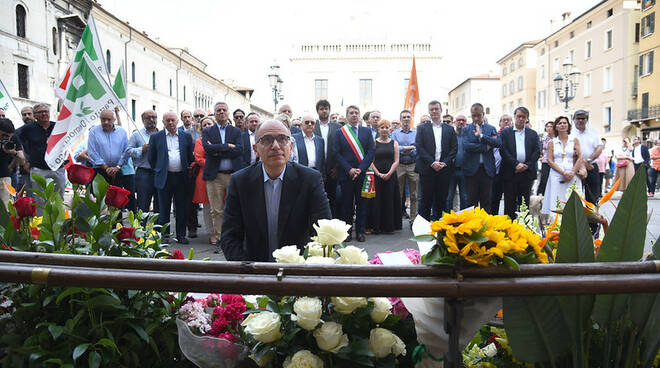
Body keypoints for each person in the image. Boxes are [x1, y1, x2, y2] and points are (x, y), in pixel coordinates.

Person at [220, 120, 331, 261]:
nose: (275, 146)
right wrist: (248, 272)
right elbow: (230, 237)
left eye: (282, 139)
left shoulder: (310, 180)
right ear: (255, 149)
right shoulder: (240, 181)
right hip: (255, 271)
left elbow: (323, 231)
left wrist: (306, 268)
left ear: (291, 147)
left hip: (298, 271)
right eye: (266, 140)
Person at [202, 102, 244, 251]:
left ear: (228, 113)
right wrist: (227, 146)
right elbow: (207, 149)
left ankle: (236, 236)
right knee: (216, 210)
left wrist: (217, 149)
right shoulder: (208, 131)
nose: (221, 112)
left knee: (236, 207)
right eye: (218, 110)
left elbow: (239, 150)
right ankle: (221, 238)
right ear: (214, 113)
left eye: (224, 110)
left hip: (233, 175)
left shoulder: (236, 131)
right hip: (215, 176)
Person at [148, 111, 194, 244]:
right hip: (165, 178)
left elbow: (189, 156)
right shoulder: (156, 137)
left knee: (181, 208)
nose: (170, 123)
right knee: (163, 209)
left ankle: (181, 235)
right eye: (167, 120)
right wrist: (159, 169)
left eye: (173, 120)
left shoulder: (186, 136)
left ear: (177, 121)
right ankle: (164, 236)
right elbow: (152, 158)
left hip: (181, 177)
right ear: (163, 123)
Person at [334, 105, 375, 242]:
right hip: (346, 174)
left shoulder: (366, 132)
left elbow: (371, 152)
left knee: (362, 204)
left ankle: (360, 232)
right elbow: (337, 153)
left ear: (359, 115)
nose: (354, 115)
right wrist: (349, 169)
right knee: (346, 205)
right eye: (351, 113)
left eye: (356, 113)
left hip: (362, 174)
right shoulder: (340, 132)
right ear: (347, 116)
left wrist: (361, 168)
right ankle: (347, 232)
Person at [416, 100, 458, 220]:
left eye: (436, 109)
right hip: (427, 169)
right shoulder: (422, 128)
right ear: (429, 111)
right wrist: (432, 162)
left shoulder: (449, 129)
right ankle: (424, 229)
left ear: (441, 110)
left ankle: (439, 229)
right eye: (432, 109)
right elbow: (419, 147)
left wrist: (444, 163)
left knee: (442, 200)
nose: (434, 111)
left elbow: (454, 148)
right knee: (425, 201)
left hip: (444, 170)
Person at [16, 103, 66, 200]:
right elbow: (15, 138)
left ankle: (58, 215)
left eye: (46, 111)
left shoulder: (57, 127)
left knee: (59, 197)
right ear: (35, 116)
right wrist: (25, 160)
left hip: (57, 167)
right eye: (40, 112)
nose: (44, 114)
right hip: (38, 168)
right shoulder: (28, 128)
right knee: (39, 199)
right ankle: (40, 216)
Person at [87, 109, 134, 210]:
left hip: (117, 171)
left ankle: (117, 225)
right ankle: (101, 224)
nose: (106, 122)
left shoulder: (122, 132)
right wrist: (105, 167)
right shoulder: (94, 132)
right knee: (99, 200)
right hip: (100, 171)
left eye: (109, 119)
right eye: (103, 119)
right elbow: (92, 152)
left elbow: (126, 151)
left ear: (114, 120)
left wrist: (118, 166)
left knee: (116, 202)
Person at [499, 107, 540, 220]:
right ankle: (509, 227)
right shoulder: (505, 133)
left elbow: (537, 151)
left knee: (524, 202)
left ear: (527, 119)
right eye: (518, 116)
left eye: (523, 117)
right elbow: (503, 150)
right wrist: (515, 164)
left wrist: (526, 165)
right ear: (514, 117)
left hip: (526, 173)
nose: (521, 119)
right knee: (509, 202)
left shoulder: (533, 134)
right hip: (510, 172)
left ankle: (524, 227)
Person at [462, 103, 501, 213]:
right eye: (473, 115)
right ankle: (472, 228)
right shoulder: (466, 129)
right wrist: (486, 147)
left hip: (487, 170)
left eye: (478, 115)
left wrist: (482, 136)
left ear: (483, 114)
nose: (476, 118)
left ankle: (485, 228)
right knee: (471, 202)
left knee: (486, 201)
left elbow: (498, 143)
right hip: (471, 170)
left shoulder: (491, 128)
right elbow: (467, 146)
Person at [541, 116, 582, 215]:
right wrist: (563, 173)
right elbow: (550, 160)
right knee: (557, 200)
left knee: (572, 199)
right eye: (560, 123)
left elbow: (580, 157)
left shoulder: (574, 140)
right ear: (556, 127)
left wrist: (572, 172)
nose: (562, 125)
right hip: (557, 174)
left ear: (568, 125)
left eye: (565, 123)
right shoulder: (552, 142)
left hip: (572, 172)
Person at [370, 119, 401, 233]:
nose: (384, 130)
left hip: (390, 176)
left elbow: (396, 161)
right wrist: (378, 173)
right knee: (377, 201)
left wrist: (389, 173)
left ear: (390, 130)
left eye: (386, 127)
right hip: (376, 176)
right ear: (378, 129)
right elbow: (371, 161)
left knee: (389, 200)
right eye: (382, 127)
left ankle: (389, 227)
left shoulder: (394, 143)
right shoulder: (374, 143)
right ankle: (377, 227)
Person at [126, 110, 160, 213]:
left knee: (159, 205)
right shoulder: (137, 135)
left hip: (159, 173)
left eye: (154, 117)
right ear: (143, 120)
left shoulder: (162, 134)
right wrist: (141, 149)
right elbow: (128, 151)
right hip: (144, 173)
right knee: (143, 205)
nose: (151, 120)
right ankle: (142, 228)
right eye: (148, 118)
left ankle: (158, 229)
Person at [313, 99, 341, 218]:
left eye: (326, 109)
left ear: (329, 110)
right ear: (318, 111)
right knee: (317, 199)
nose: (324, 111)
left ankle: (333, 225)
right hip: (316, 169)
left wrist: (337, 167)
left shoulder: (337, 127)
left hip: (333, 169)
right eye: (321, 109)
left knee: (333, 198)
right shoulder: (312, 125)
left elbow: (341, 148)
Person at [571, 110, 603, 204]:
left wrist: (589, 160)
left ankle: (592, 217)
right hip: (576, 168)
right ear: (574, 120)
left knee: (593, 196)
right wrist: (582, 163)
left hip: (591, 166)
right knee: (575, 194)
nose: (580, 121)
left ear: (586, 120)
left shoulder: (593, 132)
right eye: (578, 118)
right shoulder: (570, 133)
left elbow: (599, 147)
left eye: (583, 118)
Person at [392, 110, 418, 226]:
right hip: (400, 165)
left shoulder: (417, 133)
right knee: (398, 194)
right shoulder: (395, 133)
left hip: (413, 165)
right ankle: (397, 220)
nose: (406, 119)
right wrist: (408, 148)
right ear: (401, 119)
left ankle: (413, 220)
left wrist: (404, 149)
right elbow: (394, 147)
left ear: (411, 118)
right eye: (404, 117)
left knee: (414, 195)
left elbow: (419, 148)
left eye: (408, 117)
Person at [193, 116, 216, 245]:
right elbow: (199, 158)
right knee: (208, 207)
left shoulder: (220, 139)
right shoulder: (199, 141)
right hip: (205, 176)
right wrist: (215, 163)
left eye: (209, 124)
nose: (207, 126)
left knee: (221, 207)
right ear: (201, 128)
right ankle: (211, 233)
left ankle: (221, 232)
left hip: (221, 176)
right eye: (205, 124)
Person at [0, 118, 26, 205]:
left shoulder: (14, 138)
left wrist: (13, 152)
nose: (6, 138)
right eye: (3, 135)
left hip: (4, 175)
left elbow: (22, 159)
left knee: (6, 204)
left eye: (8, 136)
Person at [491, 114, 512, 214]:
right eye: (504, 120)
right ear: (500, 123)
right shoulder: (495, 136)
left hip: (511, 173)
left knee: (510, 200)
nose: (506, 122)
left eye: (508, 120)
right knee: (494, 198)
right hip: (497, 172)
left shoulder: (514, 136)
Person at [446, 114, 468, 211]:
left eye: (463, 120)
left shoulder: (469, 136)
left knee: (465, 197)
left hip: (465, 170)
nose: (461, 122)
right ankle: (447, 219)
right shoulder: (450, 136)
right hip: (451, 170)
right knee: (449, 196)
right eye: (459, 120)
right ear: (454, 122)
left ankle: (463, 220)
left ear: (466, 122)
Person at [536, 121, 555, 196]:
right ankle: (541, 194)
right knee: (544, 180)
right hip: (545, 162)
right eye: (547, 126)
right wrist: (541, 156)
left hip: (555, 162)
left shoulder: (557, 138)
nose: (549, 128)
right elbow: (540, 149)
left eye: (551, 126)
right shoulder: (543, 139)